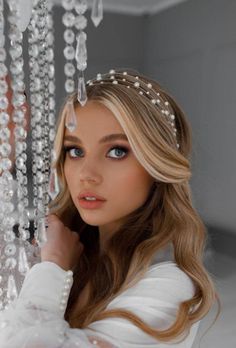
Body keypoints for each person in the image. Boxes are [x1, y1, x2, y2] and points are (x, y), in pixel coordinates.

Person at [0, 68, 220, 347]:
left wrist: (52, 269)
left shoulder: (170, 288)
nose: (86, 174)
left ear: (157, 163)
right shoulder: (66, 247)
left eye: (117, 151)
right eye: (75, 151)